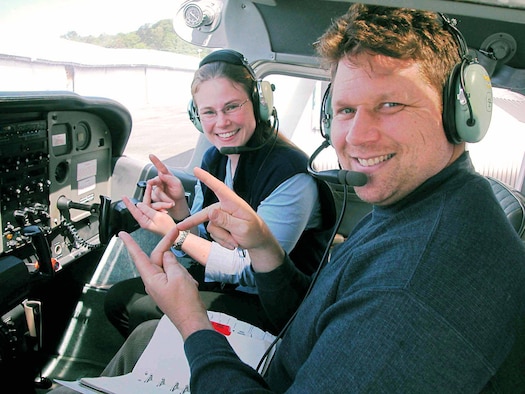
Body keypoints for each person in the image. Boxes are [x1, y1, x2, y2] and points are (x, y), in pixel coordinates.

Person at [54, 4, 525, 393]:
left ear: (461, 111)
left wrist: (193, 322)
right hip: (286, 361)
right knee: (141, 343)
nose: (356, 137)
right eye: (344, 110)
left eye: (390, 104)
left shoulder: (415, 283)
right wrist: (263, 246)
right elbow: (308, 316)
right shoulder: (417, 207)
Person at [104, 49, 334, 337]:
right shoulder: (214, 159)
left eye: (232, 107)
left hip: (276, 308)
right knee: (120, 298)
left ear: (258, 105)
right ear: (196, 117)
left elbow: (251, 269)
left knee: (140, 308)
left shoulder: (290, 173)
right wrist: (179, 213)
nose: (221, 122)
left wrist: (176, 233)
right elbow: (206, 244)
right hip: (228, 285)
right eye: (209, 112)